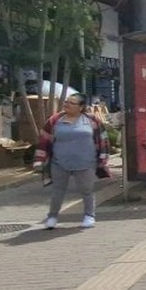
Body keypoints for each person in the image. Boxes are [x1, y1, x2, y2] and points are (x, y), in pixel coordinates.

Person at [32, 93, 109, 230]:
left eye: (71, 103)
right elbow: (44, 140)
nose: (66, 104)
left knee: (87, 190)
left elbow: (103, 140)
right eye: (66, 102)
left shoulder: (91, 120)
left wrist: (103, 159)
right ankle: (52, 217)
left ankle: (89, 215)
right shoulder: (55, 120)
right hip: (59, 162)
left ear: (81, 107)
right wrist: (39, 160)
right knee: (58, 190)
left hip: (86, 163)